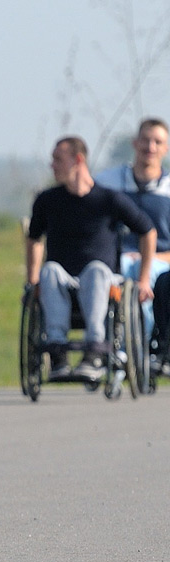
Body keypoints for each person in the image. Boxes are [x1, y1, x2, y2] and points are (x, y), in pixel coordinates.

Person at [25, 136, 156, 381]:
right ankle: (57, 351)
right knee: (50, 270)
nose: (52, 165)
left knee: (96, 270)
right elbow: (33, 238)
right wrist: (32, 281)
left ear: (78, 160)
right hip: (62, 281)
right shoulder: (47, 200)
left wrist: (144, 278)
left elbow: (147, 231)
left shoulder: (108, 199)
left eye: (57, 159)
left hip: (102, 281)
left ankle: (95, 351)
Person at [93, 118, 170, 372]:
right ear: (135, 143)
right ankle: (116, 348)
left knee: (143, 277)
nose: (150, 147)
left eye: (157, 142)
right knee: (123, 270)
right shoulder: (108, 182)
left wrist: (152, 257)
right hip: (119, 256)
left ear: (165, 148)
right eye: (145, 140)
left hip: (161, 258)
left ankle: (140, 348)